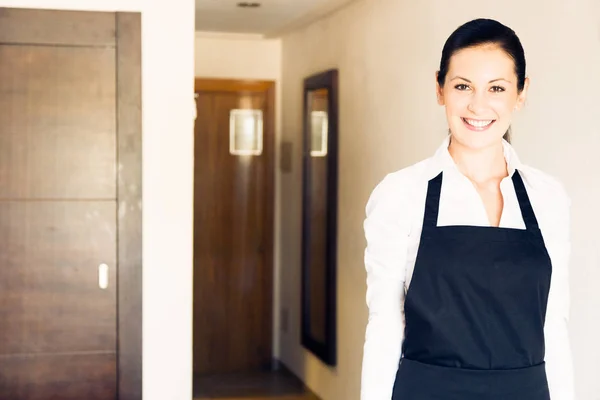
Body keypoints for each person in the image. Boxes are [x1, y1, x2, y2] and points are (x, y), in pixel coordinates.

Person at [361, 18, 574, 400]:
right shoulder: (401, 194)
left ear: (521, 93)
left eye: (497, 88)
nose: (478, 105)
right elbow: (385, 325)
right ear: (440, 89)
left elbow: (553, 326)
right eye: (463, 86)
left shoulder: (548, 197)